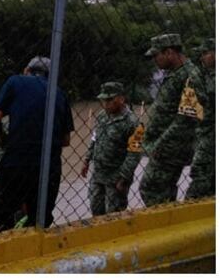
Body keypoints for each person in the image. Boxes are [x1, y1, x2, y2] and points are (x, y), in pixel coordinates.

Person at [0, 56, 74, 233]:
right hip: (49, 166)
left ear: (27, 70)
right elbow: (66, 141)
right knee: (39, 220)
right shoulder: (59, 93)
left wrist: (5, 138)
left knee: (1, 218)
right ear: (50, 75)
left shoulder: (15, 82)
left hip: (16, 161)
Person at [139, 33, 202, 207]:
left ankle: (162, 224)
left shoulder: (189, 76)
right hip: (165, 146)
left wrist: (160, 143)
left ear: (169, 53)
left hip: (171, 147)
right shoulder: (176, 74)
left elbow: (186, 119)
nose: (155, 61)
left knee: (150, 188)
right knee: (163, 191)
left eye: (156, 55)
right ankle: (168, 218)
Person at [80, 82, 143, 216]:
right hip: (98, 174)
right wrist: (87, 159)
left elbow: (134, 154)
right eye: (104, 100)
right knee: (96, 210)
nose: (106, 104)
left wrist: (123, 178)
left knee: (114, 215)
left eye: (110, 100)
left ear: (121, 99)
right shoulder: (102, 116)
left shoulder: (132, 122)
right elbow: (95, 138)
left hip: (116, 177)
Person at [185, 39, 214, 200]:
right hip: (206, 132)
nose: (202, 57)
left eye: (206, 53)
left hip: (210, 135)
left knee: (202, 175)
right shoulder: (200, 75)